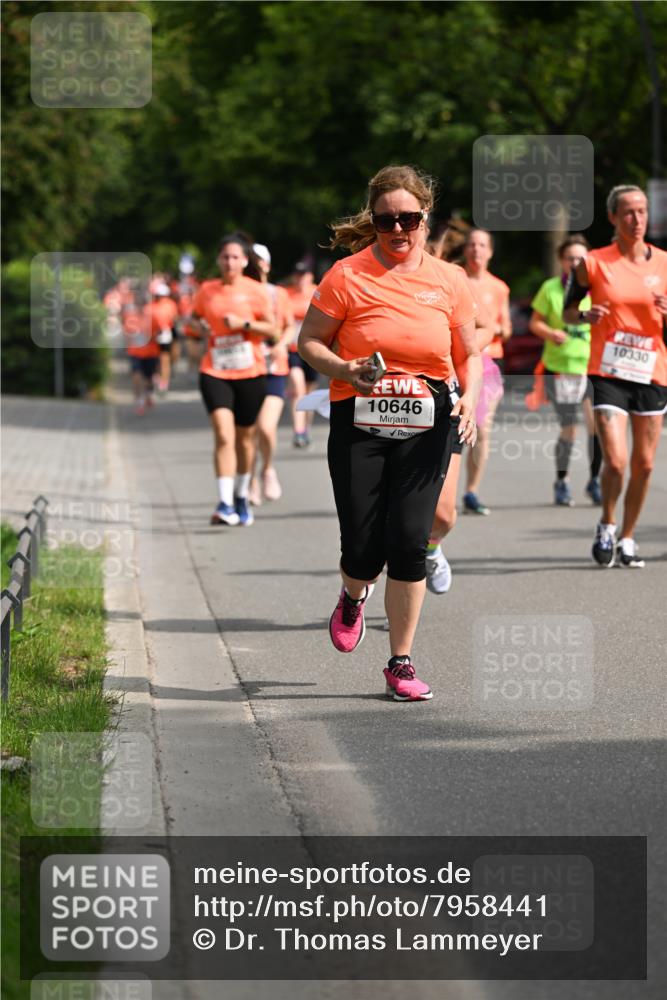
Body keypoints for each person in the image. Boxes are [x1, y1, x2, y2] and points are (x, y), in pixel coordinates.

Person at [298, 165, 481, 701]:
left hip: (428, 421)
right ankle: (353, 594)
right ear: (373, 221)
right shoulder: (347, 276)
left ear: (425, 217)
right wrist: (345, 368)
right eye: (386, 221)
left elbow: (469, 354)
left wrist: (470, 397)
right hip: (360, 419)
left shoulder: (449, 280)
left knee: (408, 541)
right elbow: (309, 342)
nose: (398, 230)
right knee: (362, 547)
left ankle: (400, 662)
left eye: (408, 219)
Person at [563, 184, 667, 567]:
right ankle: (607, 522)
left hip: (652, 371)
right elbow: (568, 311)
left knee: (645, 464)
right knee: (618, 461)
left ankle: (628, 537)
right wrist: (584, 315)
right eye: (628, 212)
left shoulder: (664, 263)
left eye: (642, 211)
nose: (637, 219)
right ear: (612, 217)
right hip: (608, 372)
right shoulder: (592, 263)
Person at [191, 235, 277, 527]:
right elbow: (192, 320)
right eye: (225, 257)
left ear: (244, 261)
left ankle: (241, 495)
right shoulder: (207, 290)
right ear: (218, 260)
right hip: (215, 371)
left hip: (250, 373)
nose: (229, 262)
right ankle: (224, 502)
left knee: (244, 439)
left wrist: (244, 325)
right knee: (223, 435)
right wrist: (198, 326)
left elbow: (273, 330)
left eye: (235, 257)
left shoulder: (256, 290)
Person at [529, 235, 602, 506]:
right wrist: (550, 333)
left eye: (580, 258)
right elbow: (535, 323)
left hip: (593, 368)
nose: (575, 263)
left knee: (597, 427)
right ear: (561, 261)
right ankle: (562, 481)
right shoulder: (550, 289)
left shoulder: (597, 288)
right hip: (561, 369)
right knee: (570, 429)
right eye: (570, 258)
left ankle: (595, 481)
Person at [460, 229, 511, 516]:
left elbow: (507, 329)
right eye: (471, 244)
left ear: (490, 252)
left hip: (490, 362)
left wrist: (492, 328)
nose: (476, 249)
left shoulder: (499, 287)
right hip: (459, 361)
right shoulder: (455, 278)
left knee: (482, 428)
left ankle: (471, 491)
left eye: (481, 245)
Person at [248, 243, 295, 505]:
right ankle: (250, 480)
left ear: (267, 265)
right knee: (249, 431)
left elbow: (289, 327)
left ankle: (266, 469)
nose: (256, 267)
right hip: (246, 368)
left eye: (260, 262)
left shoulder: (278, 294)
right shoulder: (240, 294)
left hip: (274, 368)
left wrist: (280, 345)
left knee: (266, 428)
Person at [286, 262, 318, 447]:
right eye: (297, 275)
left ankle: (306, 428)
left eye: (304, 274)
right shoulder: (286, 295)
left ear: (310, 277)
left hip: (313, 349)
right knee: (297, 387)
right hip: (292, 350)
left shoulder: (318, 292)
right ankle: (298, 431)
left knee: (308, 392)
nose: (300, 279)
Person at [123, 288, 157, 416]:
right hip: (135, 352)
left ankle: (148, 395)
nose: (140, 306)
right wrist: (128, 345)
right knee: (137, 376)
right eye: (138, 303)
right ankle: (139, 401)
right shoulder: (130, 317)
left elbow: (158, 332)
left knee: (149, 379)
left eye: (142, 303)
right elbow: (127, 333)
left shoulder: (151, 316)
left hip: (150, 352)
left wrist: (150, 337)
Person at [151, 281, 179, 394]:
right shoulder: (152, 305)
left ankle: (164, 382)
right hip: (154, 335)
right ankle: (158, 377)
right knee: (156, 358)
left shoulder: (170, 304)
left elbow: (174, 318)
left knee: (164, 358)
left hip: (165, 333)